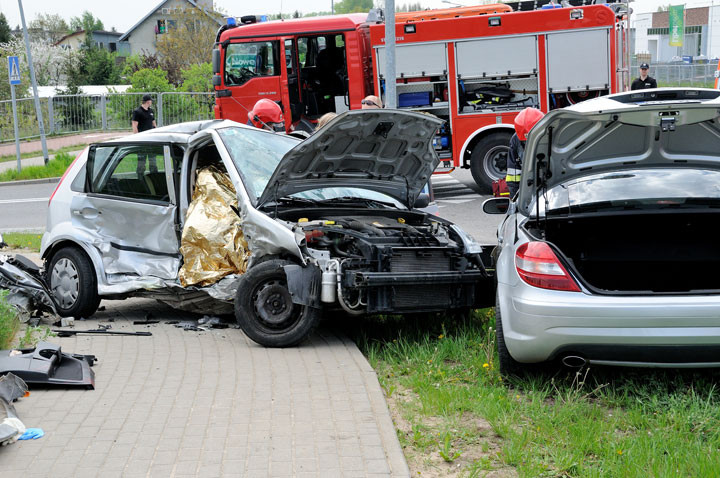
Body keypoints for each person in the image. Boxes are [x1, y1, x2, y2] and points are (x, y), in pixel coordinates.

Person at [506, 107, 545, 198]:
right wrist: (515, 199)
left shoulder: (554, 135)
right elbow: (513, 173)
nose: (528, 144)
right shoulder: (516, 140)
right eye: (525, 142)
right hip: (530, 187)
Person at [132, 94, 157, 176]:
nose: (151, 102)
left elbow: (153, 123)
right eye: (151, 101)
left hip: (151, 139)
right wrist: (137, 137)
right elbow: (134, 125)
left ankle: (154, 175)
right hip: (142, 138)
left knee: (153, 160)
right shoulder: (137, 112)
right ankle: (140, 176)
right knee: (141, 161)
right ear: (147, 101)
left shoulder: (151, 111)